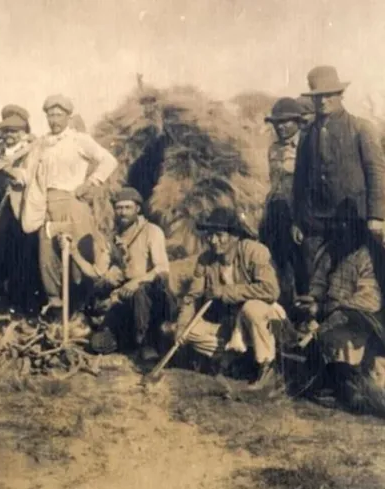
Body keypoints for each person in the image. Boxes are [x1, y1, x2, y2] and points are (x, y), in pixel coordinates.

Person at [19, 94, 117, 319]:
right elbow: (29, 174)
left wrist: (90, 183)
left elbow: (108, 160)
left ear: (67, 116)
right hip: (47, 206)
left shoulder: (78, 140)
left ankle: (81, 311)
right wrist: (13, 173)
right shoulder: (41, 144)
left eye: (58, 115)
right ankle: (56, 307)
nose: (54, 120)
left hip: (73, 204)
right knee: (48, 255)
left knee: (77, 256)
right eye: (50, 115)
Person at [292, 66, 385, 288]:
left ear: (340, 95)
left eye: (328, 95)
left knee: (351, 278)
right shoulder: (307, 136)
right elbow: (299, 181)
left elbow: (376, 172)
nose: (322, 101)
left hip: (353, 219)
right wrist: (297, 220)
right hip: (316, 222)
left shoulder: (361, 128)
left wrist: (377, 215)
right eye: (317, 97)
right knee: (315, 279)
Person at [173, 207, 285, 390]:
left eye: (219, 235)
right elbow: (191, 297)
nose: (213, 241)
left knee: (252, 308)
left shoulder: (255, 251)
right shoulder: (206, 260)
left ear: (234, 236)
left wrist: (225, 292)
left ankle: (267, 366)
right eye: (209, 235)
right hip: (231, 325)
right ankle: (237, 359)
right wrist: (181, 327)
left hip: (263, 319)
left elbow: (271, 290)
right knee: (191, 331)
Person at [296, 202, 384, 404]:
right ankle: (333, 382)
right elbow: (318, 284)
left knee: (343, 342)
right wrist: (313, 302)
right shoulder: (330, 252)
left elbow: (371, 300)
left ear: (356, 227)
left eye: (346, 224)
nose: (341, 228)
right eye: (337, 223)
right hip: (331, 315)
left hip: (364, 323)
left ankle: (350, 385)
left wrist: (337, 306)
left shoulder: (367, 256)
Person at [87, 187, 176, 361]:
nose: (123, 213)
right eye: (119, 208)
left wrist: (136, 282)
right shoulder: (114, 237)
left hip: (151, 296)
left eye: (128, 207)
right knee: (98, 344)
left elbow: (162, 268)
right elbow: (100, 272)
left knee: (141, 292)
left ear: (137, 209)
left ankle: (147, 343)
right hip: (125, 295)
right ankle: (128, 340)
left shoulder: (152, 231)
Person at [0, 111, 44, 314]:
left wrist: (8, 169)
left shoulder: (31, 151)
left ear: (23, 132)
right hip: (5, 210)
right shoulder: (4, 152)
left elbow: (24, 179)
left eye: (14, 131)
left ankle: (27, 302)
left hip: (25, 209)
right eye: (6, 131)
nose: (9, 135)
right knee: (5, 254)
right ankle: (8, 300)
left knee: (26, 255)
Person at [260, 97, 307, 307]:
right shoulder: (273, 149)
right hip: (276, 211)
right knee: (277, 260)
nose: (280, 126)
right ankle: (283, 306)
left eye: (286, 121)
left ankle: (305, 311)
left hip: (298, 211)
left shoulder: (306, 146)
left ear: (298, 122)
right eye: (277, 122)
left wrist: (301, 219)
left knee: (301, 263)